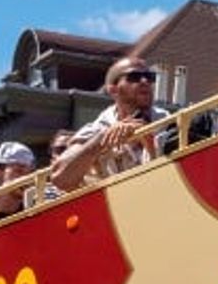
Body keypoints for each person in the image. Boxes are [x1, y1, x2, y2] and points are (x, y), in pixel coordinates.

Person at [52, 56, 171, 191]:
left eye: (149, 77)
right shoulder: (97, 129)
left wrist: (147, 139)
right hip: (117, 207)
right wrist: (103, 138)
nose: (144, 81)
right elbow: (60, 178)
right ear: (113, 90)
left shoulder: (170, 121)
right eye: (134, 77)